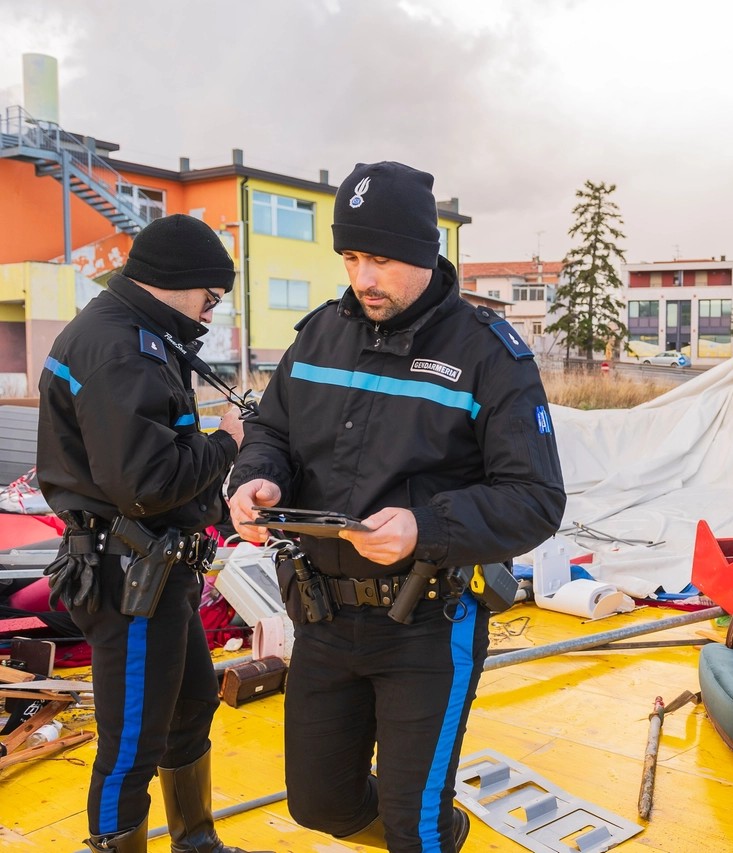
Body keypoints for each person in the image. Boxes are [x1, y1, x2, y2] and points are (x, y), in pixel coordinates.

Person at [227, 161, 566, 853]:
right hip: (321, 617)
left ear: (424, 250)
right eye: (351, 256)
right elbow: (272, 431)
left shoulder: (488, 354)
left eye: (379, 258)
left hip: (426, 625)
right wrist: (255, 478)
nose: (363, 277)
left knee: (414, 824)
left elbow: (536, 499)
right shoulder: (319, 335)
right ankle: (444, 829)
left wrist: (426, 527)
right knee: (320, 805)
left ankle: (430, 832)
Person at [37, 215, 267, 853]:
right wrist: (229, 441)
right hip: (128, 576)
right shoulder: (119, 348)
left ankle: (196, 842)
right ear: (177, 282)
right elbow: (145, 482)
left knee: (191, 706)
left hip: (158, 574)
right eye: (210, 299)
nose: (211, 314)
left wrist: (222, 517)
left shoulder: (136, 333)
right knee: (131, 741)